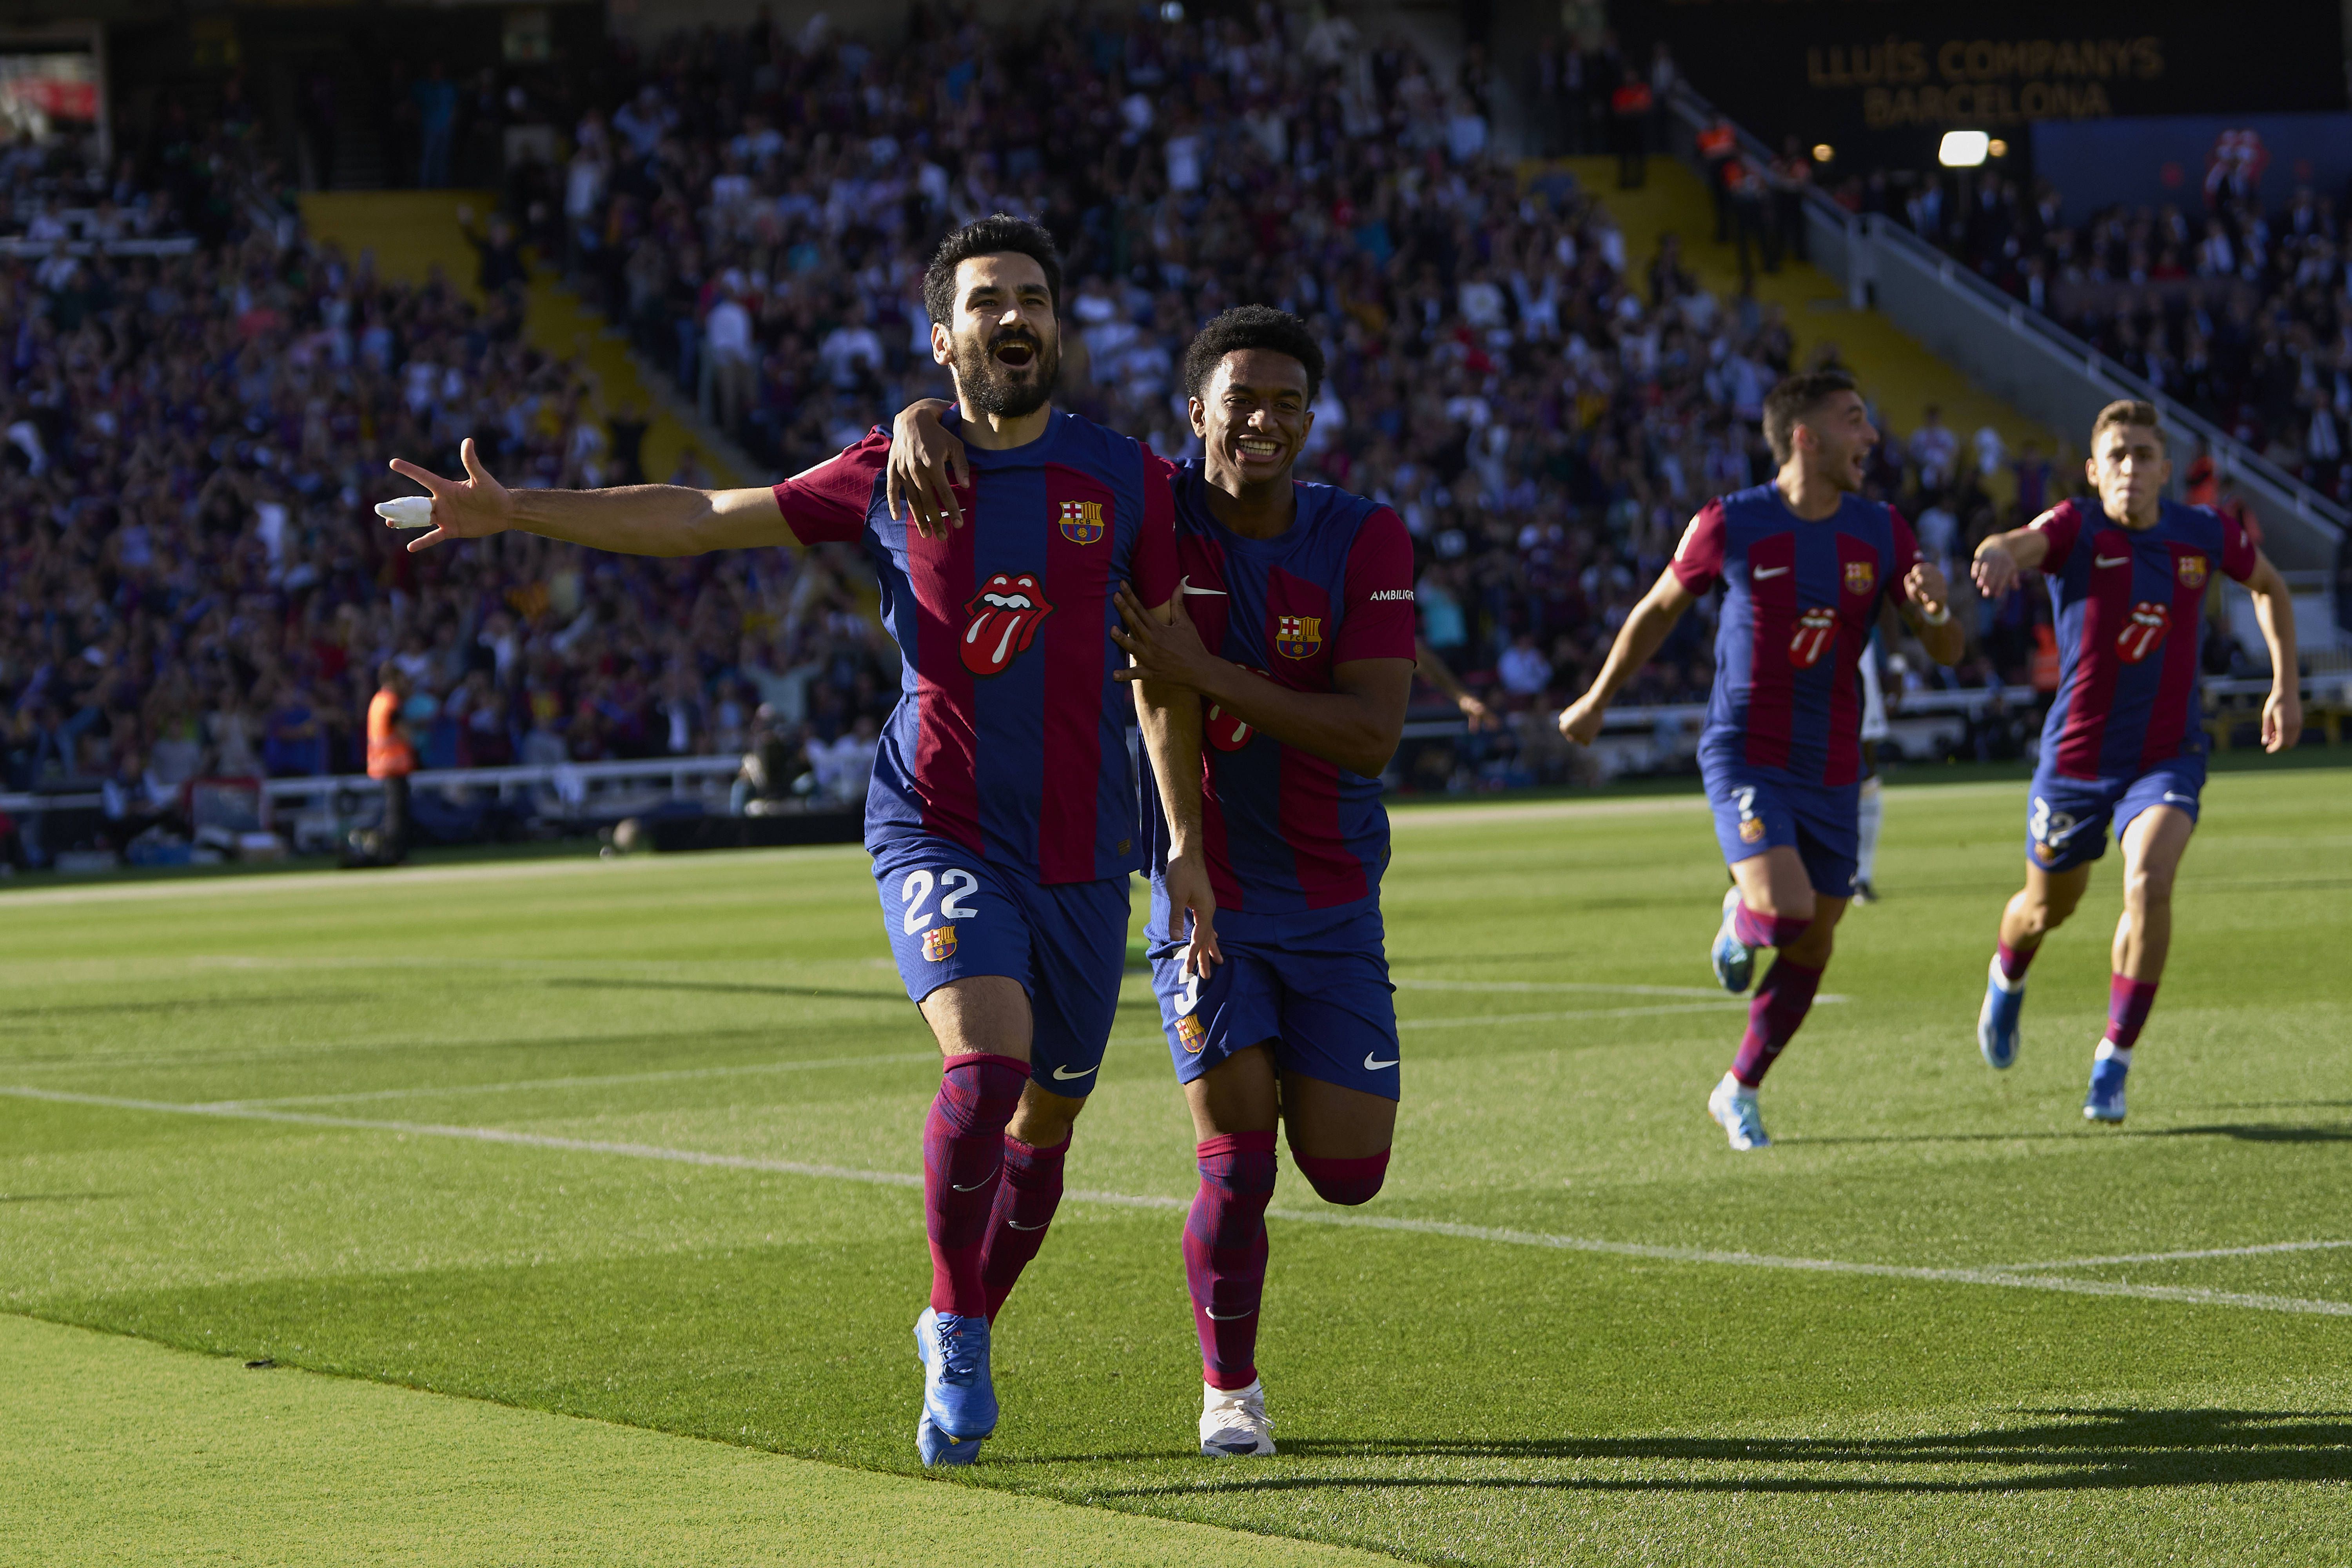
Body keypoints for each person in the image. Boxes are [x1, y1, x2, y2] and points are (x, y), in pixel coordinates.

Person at [384, 215, 1218, 1468]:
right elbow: (705, 514)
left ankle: (966, 1314)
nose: (1015, 315)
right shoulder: (892, 466)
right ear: (942, 339)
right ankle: (954, 1324)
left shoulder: (1129, 481)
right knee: (984, 1074)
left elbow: (1162, 674)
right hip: (937, 821)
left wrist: (1182, 844)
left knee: (1048, 1124)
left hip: (1087, 846)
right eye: (987, 298)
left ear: (1058, 324)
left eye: (1034, 296)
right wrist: (522, 512)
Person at [889, 305, 1416, 1459]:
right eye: (1241, 401)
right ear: (1197, 415)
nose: (1263, 421)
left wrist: (1201, 668)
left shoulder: (1363, 538)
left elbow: (1370, 735)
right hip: (1201, 886)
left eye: (1286, 402)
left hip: (1332, 894)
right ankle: (1229, 1391)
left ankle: (975, 1314)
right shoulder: (1141, 505)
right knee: (1234, 1157)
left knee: (1348, 1169)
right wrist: (919, 412)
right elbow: (1014, 440)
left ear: (1311, 417)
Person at [1558, 370, 1964, 1148]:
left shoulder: (1882, 530)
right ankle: (1742, 917)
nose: (1871, 438)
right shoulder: (1728, 521)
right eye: (1854, 421)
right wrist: (1599, 697)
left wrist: (1940, 607)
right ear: (1804, 436)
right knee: (1784, 912)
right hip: (1747, 749)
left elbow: (1944, 646)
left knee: (1814, 940)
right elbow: (1657, 609)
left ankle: (1738, 1087)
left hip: (1835, 762)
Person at [1969, 400, 2299, 1122]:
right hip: (2076, 762)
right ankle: (2008, 976)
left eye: (2143, 455)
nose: (2130, 468)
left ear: (2165, 470)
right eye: (2116, 455)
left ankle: (2112, 1060)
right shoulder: (2075, 526)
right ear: (2094, 471)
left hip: (2165, 757)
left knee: (2148, 883)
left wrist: (2286, 686)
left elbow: (2270, 587)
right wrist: (1997, 550)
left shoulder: (2204, 534)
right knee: (2043, 910)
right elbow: (2022, 543)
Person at [362, 663, 416, 865]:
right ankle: (395, 855)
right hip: (394, 765)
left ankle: (388, 852)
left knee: (391, 813)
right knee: (397, 815)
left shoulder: (378, 702)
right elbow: (405, 733)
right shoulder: (392, 703)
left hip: (381, 764)